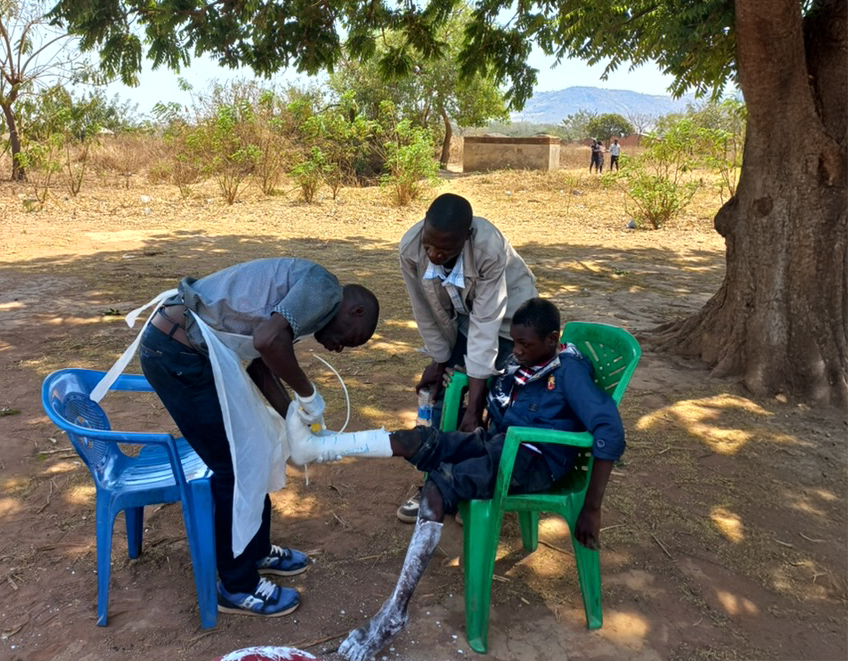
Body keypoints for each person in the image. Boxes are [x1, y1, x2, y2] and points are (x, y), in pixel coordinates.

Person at [336, 297, 626, 661]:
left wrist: (592, 508)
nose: (516, 351)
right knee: (419, 440)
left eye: (526, 345)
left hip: (531, 460)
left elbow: (609, 433)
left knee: (437, 489)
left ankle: (395, 611)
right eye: (515, 342)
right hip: (499, 444)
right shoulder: (527, 363)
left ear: (552, 340)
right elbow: (499, 395)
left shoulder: (568, 372)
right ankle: (324, 445)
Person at [108, 258, 379, 617]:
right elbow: (268, 341)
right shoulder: (324, 288)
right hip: (178, 354)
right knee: (233, 468)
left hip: (189, 349)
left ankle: (256, 549)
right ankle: (237, 585)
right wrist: (308, 394)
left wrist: (296, 420)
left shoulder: (304, 304)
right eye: (352, 338)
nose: (340, 348)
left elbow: (261, 363)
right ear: (355, 309)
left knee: (260, 445)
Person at [395, 193, 537, 522]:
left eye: (445, 248)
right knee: (445, 393)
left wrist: (474, 407)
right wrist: (439, 359)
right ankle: (436, 484)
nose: (434, 254)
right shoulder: (410, 249)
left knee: (496, 401)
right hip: (465, 316)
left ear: (466, 237)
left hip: (509, 318)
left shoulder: (488, 246)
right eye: (430, 245)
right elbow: (425, 310)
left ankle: (474, 485)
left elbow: (487, 326)